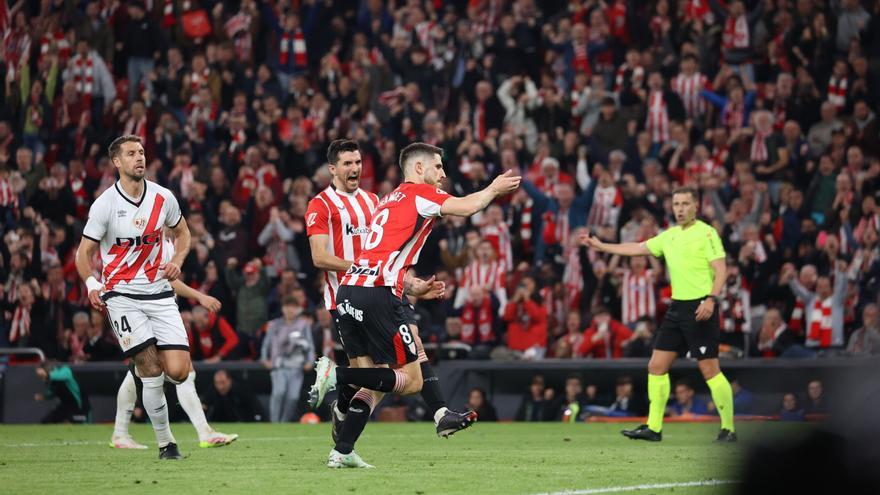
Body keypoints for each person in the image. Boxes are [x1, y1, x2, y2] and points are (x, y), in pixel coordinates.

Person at [309, 142, 520, 468]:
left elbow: (381, 256)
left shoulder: (386, 200)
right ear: (419, 168)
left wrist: (413, 286)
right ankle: (337, 376)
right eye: (438, 166)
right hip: (378, 295)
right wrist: (493, 188)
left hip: (350, 291)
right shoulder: (420, 193)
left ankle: (343, 449)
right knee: (412, 380)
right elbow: (467, 207)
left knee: (378, 379)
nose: (443, 173)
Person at [581, 186, 737, 442]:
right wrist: (601, 246)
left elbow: (721, 269)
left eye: (685, 204)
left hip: (701, 307)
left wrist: (711, 299)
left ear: (695, 206)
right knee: (656, 366)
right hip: (677, 308)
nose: (680, 209)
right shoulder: (669, 236)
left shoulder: (707, 233)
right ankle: (654, 428)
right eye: (676, 204)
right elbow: (637, 248)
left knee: (709, 369)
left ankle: (728, 429)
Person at [75, 134, 191, 459]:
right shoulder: (105, 205)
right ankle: (167, 444)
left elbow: (183, 233)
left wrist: (177, 260)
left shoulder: (163, 197)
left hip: (160, 292)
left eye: (141, 152)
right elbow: (83, 253)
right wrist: (92, 284)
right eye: (131, 154)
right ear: (117, 162)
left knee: (179, 371)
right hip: (121, 295)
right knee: (151, 369)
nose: (139, 158)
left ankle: (137, 361)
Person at [107, 231, 238, 450]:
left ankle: (120, 433)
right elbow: (165, 281)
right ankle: (202, 433)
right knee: (171, 372)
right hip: (145, 315)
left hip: (154, 314)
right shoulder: (149, 240)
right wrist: (200, 296)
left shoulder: (165, 242)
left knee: (139, 373)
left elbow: (167, 281)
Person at [261, 297, 315, 423]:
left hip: (297, 367)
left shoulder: (303, 325)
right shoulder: (274, 325)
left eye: (293, 307)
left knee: (293, 397)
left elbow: (310, 345)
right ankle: (274, 423)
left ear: (297, 309)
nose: (290, 310)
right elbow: (266, 344)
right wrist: (264, 359)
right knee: (279, 392)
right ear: (282, 309)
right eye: (287, 306)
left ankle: (284, 423)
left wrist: (310, 361)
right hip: (278, 366)